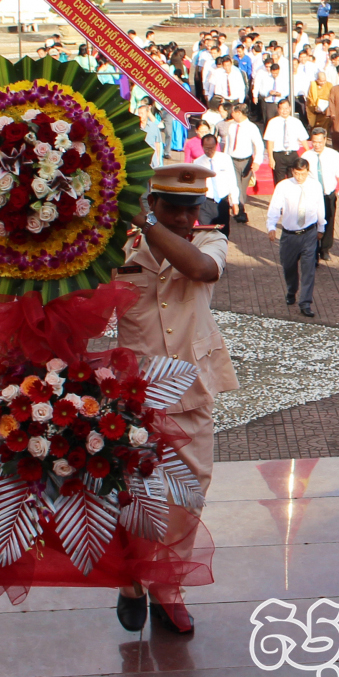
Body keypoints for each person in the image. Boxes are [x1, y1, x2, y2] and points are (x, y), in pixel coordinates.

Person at [112, 163, 234, 634]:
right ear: (155, 204)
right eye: (175, 209)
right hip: (134, 393)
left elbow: (201, 270)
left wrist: (148, 224)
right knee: (129, 493)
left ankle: (167, 585)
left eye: (193, 208)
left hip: (190, 386)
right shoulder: (122, 248)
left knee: (191, 493)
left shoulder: (209, 241)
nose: (186, 218)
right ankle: (129, 579)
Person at [266, 158, 326, 316]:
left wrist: (321, 226)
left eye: (304, 173)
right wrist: (271, 226)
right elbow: (275, 207)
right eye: (298, 173)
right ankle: (292, 290)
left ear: (308, 171)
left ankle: (305, 302)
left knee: (309, 269)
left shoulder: (315, 185)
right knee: (289, 266)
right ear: (293, 171)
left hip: (309, 233)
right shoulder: (284, 186)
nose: (300, 177)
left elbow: (320, 206)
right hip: (289, 235)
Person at [302, 127, 339, 262]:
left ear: (325, 140)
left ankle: (325, 249)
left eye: (319, 142)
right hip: (312, 195)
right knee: (313, 222)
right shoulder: (306, 156)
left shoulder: (333, 155)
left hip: (328, 194)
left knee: (328, 220)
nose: (316, 145)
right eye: (314, 142)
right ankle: (314, 250)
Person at [264, 98, 308, 184]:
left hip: (293, 155)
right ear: (278, 109)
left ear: (290, 108)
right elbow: (270, 141)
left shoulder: (296, 122)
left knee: (294, 180)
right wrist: (271, 158)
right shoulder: (273, 122)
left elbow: (303, 139)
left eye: (286, 108)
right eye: (282, 108)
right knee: (279, 182)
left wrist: (309, 153)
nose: (284, 111)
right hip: (279, 155)